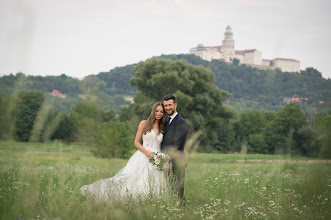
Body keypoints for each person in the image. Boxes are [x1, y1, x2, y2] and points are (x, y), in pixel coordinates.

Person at [80, 102, 167, 203]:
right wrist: (147, 153)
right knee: (129, 180)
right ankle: (131, 199)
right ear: (153, 111)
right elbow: (136, 142)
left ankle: (150, 202)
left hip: (157, 159)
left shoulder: (163, 126)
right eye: (157, 111)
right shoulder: (144, 123)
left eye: (161, 112)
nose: (159, 113)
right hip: (143, 155)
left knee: (154, 182)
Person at [161, 94, 188, 201]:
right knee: (169, 189)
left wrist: (164, 157)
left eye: (170, 105)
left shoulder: (181, 122)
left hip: (177, 162)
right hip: (166, 162)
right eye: (165, 105)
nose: (167, 108)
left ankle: (182, 212)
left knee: (178, 190)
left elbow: (177, 144)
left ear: (175, 105)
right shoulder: (166, 121)